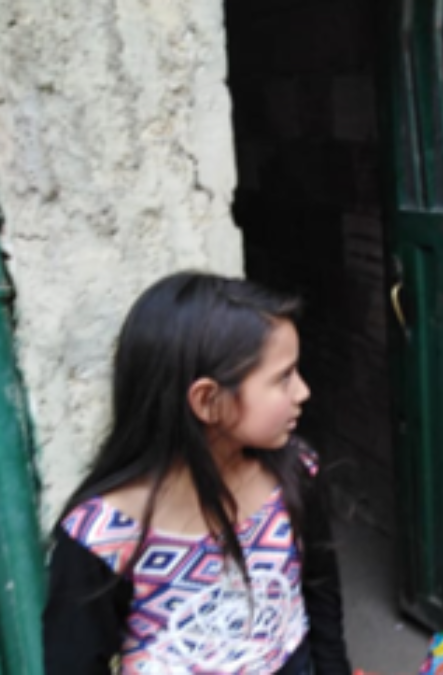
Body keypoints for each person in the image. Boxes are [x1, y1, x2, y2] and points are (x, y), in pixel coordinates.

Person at [42, 272, 351, 674]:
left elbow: (320, 594)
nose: (303, 391)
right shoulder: (101, 537)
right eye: (283, 378)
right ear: (208, 401)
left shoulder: (294, 472)